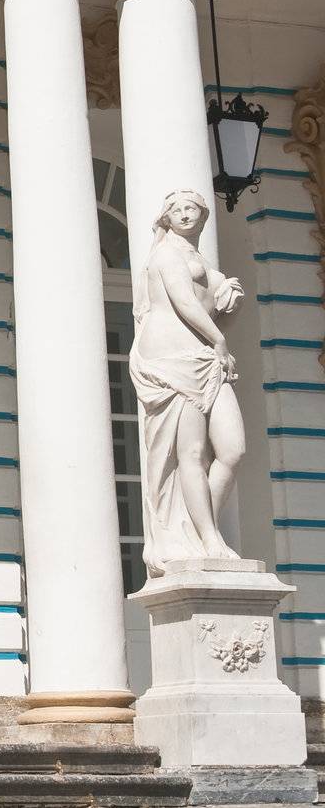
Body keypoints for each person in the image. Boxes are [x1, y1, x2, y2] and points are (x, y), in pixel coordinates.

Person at [129, 188, 245, 576]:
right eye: (176, 209)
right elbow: (184, 301)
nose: (183, 214)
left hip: (205, 358)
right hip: (174, 358)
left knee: (232, 450)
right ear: (166, 217)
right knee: (191, 454)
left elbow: (208, 299)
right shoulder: (165, 253)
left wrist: (229, 296)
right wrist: (219, 339)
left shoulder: (197, 256)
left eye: (191, 208)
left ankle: (194, 533)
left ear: (202, 215)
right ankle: (209, 540)